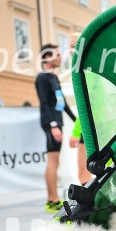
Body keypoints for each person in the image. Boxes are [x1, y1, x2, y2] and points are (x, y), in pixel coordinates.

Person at [36, 44, 76, 212]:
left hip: (58, 121)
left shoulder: (53, 77)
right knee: (52, 161)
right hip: (50, 122)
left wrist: (76, 121)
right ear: (47, 57)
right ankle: (52, 199)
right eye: (57, 55)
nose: (60, 57)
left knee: (56, 160)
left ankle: (54, 197)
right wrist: (53, 125)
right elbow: (44, 103)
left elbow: (62, 103)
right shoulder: (43, 78)